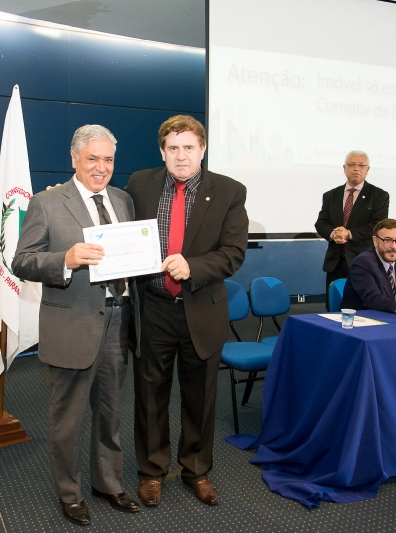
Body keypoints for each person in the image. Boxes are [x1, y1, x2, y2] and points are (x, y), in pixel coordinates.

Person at [12, 125, 139, 526]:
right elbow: (22, 261)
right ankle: (70, 494)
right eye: (92, 158)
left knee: (111, 412)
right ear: (74, 159)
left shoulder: (123, 200)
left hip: (118, 319)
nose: (101, 167)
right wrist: (64, 260)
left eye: (108, 159)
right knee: (67, 420)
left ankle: (108, 483)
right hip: (72, 324)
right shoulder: (46, 202)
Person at [125, 115, 248, 507]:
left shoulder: (229, 191)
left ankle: (196, 470)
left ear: (203, 149)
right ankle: (151, 471)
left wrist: (193, 266)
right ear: (162, 151)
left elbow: (233, 253)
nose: (181, 156)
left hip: (201, 310)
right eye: (173, 148)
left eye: (189, 147)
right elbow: (111, 221)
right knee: (149, 396)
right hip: (153, 309)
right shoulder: (139, 184)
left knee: (200, 397)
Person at [315, 151, 389, 309]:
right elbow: (321, 223)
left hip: (363, 262)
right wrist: (333, 233)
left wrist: (349, 234)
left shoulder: (379, 195)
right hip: (335, 263)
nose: (356, 168)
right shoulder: (330, 195)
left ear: (367, 169)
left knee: (363, 308)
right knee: (334, 309)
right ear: (344, 168)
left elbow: (378, 225)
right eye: (352, 165)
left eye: (361, 165)